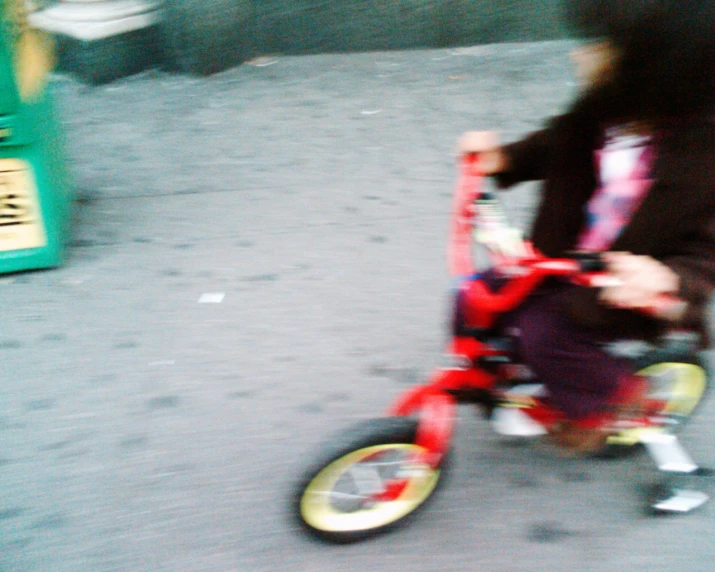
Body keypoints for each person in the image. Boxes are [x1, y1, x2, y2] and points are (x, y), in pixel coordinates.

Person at [458, 0, 715, 453]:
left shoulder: (704, 159)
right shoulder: (605, 110)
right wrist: (507, 159)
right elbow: (557, 141)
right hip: (557, 256)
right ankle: (496, 378)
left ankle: (611, 401)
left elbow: (707, 252)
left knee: (545, 332)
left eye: (602, 49)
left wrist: (670, 278)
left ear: (661, 72)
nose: (581, 56)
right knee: (475, 296)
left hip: (620, 291)